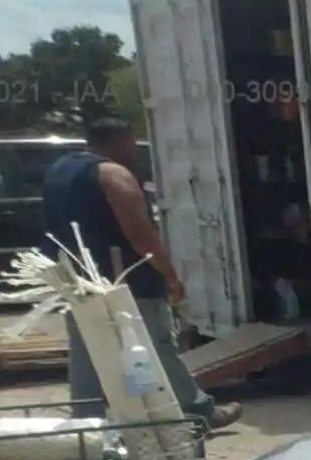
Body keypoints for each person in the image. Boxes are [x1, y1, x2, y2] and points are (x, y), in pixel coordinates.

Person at [40, 119, 240, 431]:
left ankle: (86, 422)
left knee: (87, 351)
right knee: (156, 345)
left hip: (77, 277)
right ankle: (197, 410)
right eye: (132, 143)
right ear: (117, 141)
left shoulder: (60, 170)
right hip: (127, 280)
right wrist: (170, 275)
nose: (135, 151)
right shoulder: (114, 174)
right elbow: (139, 234)